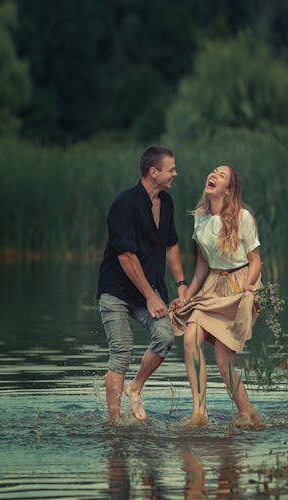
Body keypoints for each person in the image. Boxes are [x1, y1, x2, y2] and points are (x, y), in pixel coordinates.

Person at [97, 146, 189, 423]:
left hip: (150, 293)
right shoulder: (124, 203)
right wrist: (150, 296)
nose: (175, 173)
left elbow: (171, 245)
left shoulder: (168, 202)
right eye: (171, 169)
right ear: (153, 171)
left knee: (165, 337)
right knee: (122, 351)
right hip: (117, 292)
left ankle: (135, 387)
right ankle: (114, 423)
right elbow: (126, 256)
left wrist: (181, 285)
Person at [169, 164, 264, 429]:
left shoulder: (243, 217)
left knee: (223, 360)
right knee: (190, 337)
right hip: (212, 286)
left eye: (221, 176)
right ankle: (200, 413)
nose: (213, 175)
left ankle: (249, 413)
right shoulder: (199, 216)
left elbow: (256, 261)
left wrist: (248, 287)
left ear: (229, 190)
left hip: (239, 285)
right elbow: (203, 264)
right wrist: (187, 297)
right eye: (213, 172)